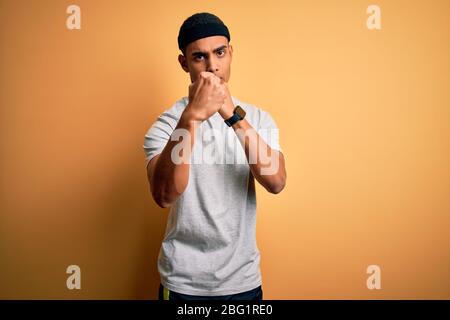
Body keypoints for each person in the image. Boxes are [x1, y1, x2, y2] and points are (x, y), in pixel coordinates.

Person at [143, 12, 286, 300]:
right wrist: (192, 117)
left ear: (230, 53)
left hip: (242, 281)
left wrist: (232, 115)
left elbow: (276, 181)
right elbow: (165, 195)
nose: (213, 66)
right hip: (183, 282)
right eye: (199, 57)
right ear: (184, 63)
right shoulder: (166, 125)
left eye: (220, 52)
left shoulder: (257, 118)